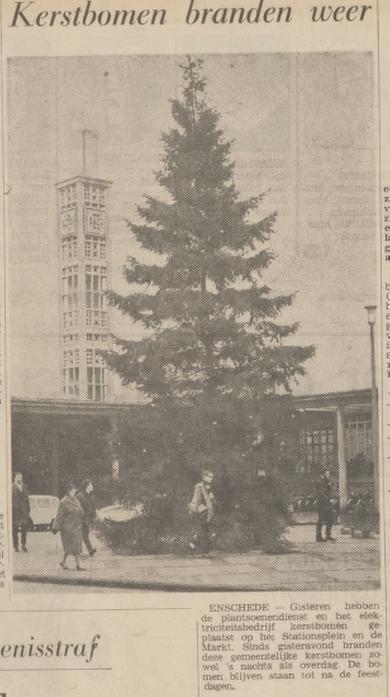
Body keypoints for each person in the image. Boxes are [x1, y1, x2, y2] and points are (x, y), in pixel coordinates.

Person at [53, 483, 85, 570]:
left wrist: (82, 513)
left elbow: (81, 510)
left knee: (70, 547)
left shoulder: (76, 500)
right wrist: (56, 527)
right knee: (74, 546)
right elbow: (59, 515)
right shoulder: (63, 502)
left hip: (76, 526)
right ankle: (79, 564)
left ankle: (63, 562)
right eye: (72, 491)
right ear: (68, 491)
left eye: (75, 491)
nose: (74, 492)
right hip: (67, 528)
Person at [189, 469, 216, 555]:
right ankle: (202, 549)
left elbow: (212, 499)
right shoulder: (199, 486)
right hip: (202, 511)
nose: (211, 479)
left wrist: (212, 499)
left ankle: (194, 544)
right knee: (205, 530)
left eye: (212, 477)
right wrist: (196, 510)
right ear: (204, 477)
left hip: (208, 511)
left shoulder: (208, 487)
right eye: (210, 477)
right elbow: (196, 500)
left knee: (205, 530)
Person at [77, 479, 97, 557]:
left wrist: (93, 516)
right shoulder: (80, 496)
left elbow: (91, 508)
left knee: (85, 535)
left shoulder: (88, 495)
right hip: (80, 519)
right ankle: (79, 551)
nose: (92, 486)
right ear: (87, 486)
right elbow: (77, 508)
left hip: (85, 519)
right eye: (91, 485)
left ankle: (90, 550)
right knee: (81, 535)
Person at [315, 469, 336, 542]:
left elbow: (329, 491)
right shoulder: (320, 482)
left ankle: (328, 535)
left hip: (327, 503)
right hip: (322, 504)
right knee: (321, 520)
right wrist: (328, 499)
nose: (328, 475)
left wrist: (329, 485)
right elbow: (321, 493)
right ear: (323, 474)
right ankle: (318, 536)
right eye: (327, 474)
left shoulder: (326, 481)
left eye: (329, 474)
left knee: (330, 519)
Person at [12, 471, 30, 552]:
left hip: (23, 512)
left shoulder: (24, 487)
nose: (20, 479)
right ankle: (16, 546)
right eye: (18, 477)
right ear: (14, 478)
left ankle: (23, 545)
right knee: (14, 529)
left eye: (21, 477)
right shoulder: (11, 487)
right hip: (15, 512)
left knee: (24, 528)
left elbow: (27, 499)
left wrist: (28, 509)